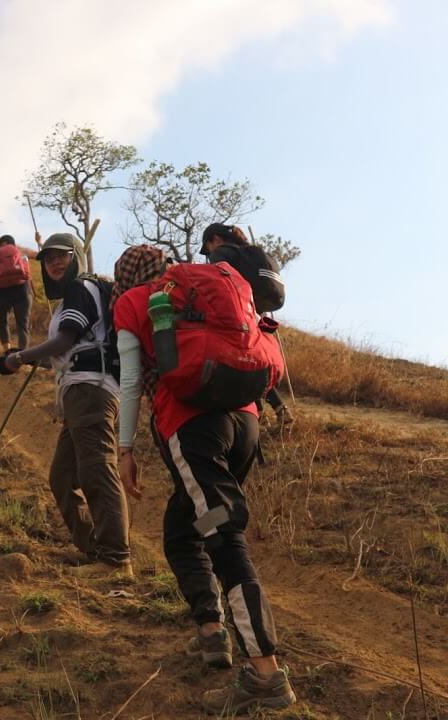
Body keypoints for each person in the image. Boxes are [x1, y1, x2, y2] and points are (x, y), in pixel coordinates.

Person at [110, 245, 296, 714]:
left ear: (123, 276)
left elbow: (131, 382)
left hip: (194, 430)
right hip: (244, 428)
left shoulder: (134, 303)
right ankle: (212, 633)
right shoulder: (196, 292)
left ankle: (265, 672)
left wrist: (126, 447)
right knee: (181, 530)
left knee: (221, 534)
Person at [0, 233, 131, 576]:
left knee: (97, 468)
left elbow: (66, 341)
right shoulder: (81, 294)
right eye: (49, 258)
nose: (54, 263)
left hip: (91, 391)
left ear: (77, 258)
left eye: (62, 257)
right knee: (63, 476)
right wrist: (20, 360)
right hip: (80, 392)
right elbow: (68, 351)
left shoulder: (80, 289)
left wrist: (20, 356)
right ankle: (95, 550)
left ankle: (115, 560)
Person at [199, 224, 293, 427]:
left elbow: (220, 283)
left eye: (208, 247)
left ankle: (258, 412)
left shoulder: (223, 253)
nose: (209, 253)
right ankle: (278, 409)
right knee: (256, 358)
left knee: (246, 361)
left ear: (215, 239)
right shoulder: (248, 253)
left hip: (240, 311)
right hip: (258, 309)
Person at [0, 234, 33, 351]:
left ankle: (7, 353)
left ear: (0, 245)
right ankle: (23, 356)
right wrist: (32, 294)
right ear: (13, 244)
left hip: (2, 292)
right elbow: (28, 277)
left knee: (2, 322)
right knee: (23, 325)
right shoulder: (21, 254)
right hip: (23, 290)